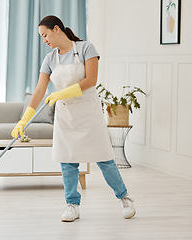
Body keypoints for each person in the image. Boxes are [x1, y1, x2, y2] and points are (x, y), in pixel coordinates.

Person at [11, 15, 136, 222]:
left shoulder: (86, 48)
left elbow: (91, 80)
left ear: (57, 29)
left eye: (45, 35)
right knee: (68, 162)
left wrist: (61, 93)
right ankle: (72, 205)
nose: (44, 40)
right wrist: (24, 120)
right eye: (42, 37)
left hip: (89, 114)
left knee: (105, 159)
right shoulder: (50, 59)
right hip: (66, 117)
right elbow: (39, 91)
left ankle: (124, 198)